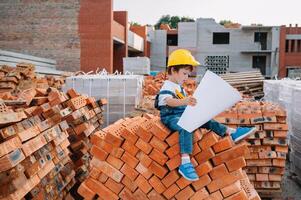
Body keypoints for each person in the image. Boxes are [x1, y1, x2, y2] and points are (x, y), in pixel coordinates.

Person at [157, 49, 256, 181]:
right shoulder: (167, 86)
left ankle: (230, 132)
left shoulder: (178, 87)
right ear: (174, 70)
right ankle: (185, 162)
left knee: (206, 120)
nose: (186, 77)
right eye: (184, 73)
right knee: (186, 126)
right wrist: (184, 101)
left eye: (188, 74)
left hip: (182, 113)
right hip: (170, 117)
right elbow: (167, 101)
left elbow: (184, 103)